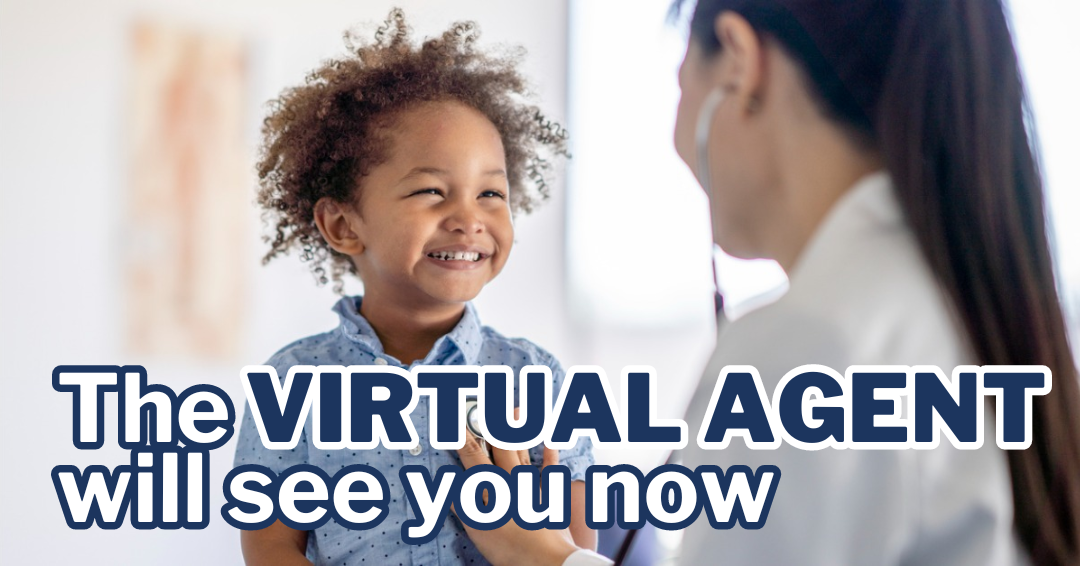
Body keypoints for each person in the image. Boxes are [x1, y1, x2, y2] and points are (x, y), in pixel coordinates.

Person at [455, 0, 1080, 565]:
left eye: (681, 86)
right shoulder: (966, 304)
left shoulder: (811, 345)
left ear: (738, 64)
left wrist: (539, 559)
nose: (677, 140)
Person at [232, 10, 595, 566]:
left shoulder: (537, 381)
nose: (469, 219)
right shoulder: (291, 384)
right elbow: (270, 545)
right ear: (343, 226)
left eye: (491, 195)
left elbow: (571, 547)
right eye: (431, 190)